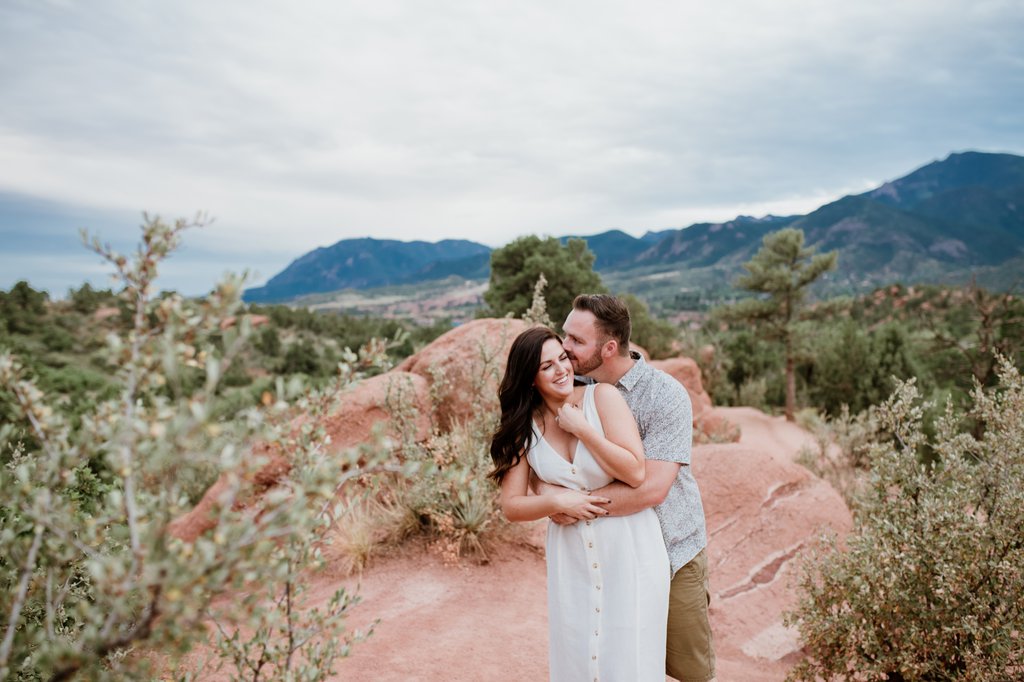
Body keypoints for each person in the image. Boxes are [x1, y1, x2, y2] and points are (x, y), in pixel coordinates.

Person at [539, 293, 716, 682]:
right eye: (565, 335)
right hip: (606, 556)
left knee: (690, 671)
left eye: (576, 340)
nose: (564, 348)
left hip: (672, 551)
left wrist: (574, 505)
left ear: (609, 348)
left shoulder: (664, 395)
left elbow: (652, 489)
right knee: (614, 661)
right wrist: (548, 497)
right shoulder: (569, 388)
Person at [490, 325, 670, 682]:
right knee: (577, 656)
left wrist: (583, 429)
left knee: (630, 660)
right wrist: (556, 500)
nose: (561, 370)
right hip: (570, 557)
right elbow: (511, 505)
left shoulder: (602, 398)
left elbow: (635, 472)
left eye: (562, 358)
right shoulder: (525, 428)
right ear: (530, 379)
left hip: (629, 549)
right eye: (547, 366)